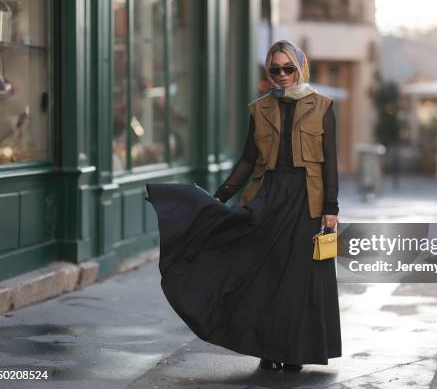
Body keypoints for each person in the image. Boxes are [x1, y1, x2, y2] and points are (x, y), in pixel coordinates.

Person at [145, 39, 342, 373]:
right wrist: (217, 198)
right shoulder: (260, 108)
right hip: (268, 196)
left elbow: (330, 163)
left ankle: (293, 351)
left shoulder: (322, 106)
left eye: (288, 68)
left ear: (300, 67)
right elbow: (248, 159)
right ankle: (267, 347)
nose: (282, 75)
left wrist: (331, 207)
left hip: (305, 200)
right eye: (275, 69)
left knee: (296, 279)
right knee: (263, 276)